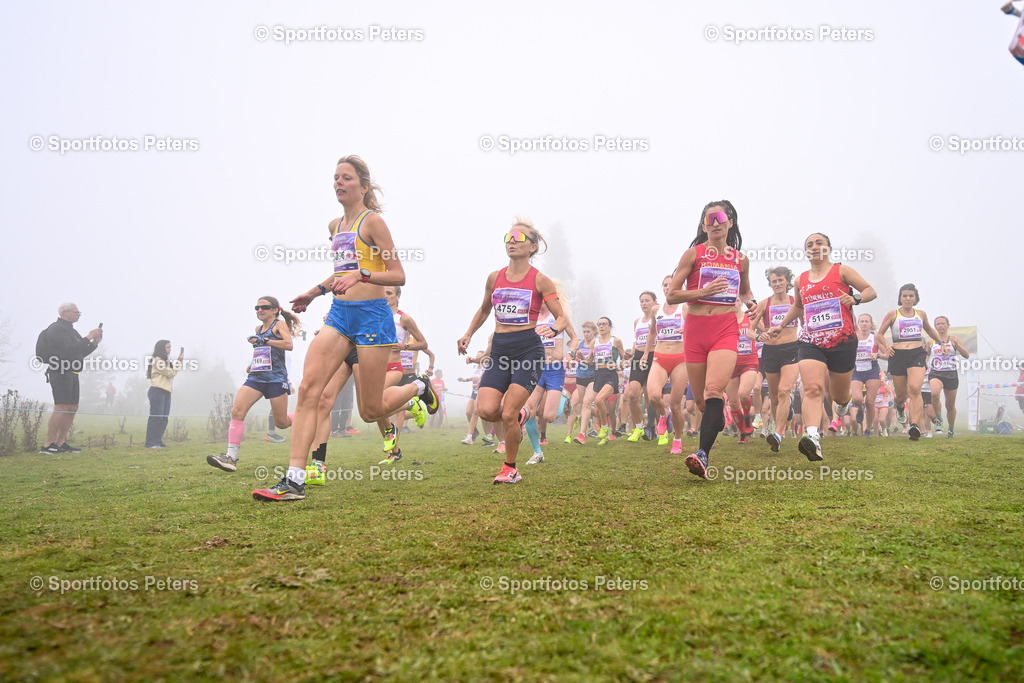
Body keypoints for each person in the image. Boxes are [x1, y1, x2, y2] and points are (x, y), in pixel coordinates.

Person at [253, 155, 438, 501]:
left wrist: (363, 274)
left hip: (372, 317)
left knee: (370, 411)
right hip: (339, 315)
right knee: (310, 388)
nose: (338, 183)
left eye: (346, 178)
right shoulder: (335, 226)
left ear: (363, 187)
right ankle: (294, 479)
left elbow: (398, 275)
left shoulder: (373, 223)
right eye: (335, 178)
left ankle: (418, 388)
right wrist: (314, 291)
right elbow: (341, 272)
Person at [457, 218, 567, 484]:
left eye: (518, 239)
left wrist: (553, 329)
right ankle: (520, 416)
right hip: (500, 351)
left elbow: (561, 317)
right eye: (508, 238)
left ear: (532, 247)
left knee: (507, 413)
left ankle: (511, 468)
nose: (512, 242)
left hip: (528, 350)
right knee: (486, 410)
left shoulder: (540, 280)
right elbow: (485, 309)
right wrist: (468, 334)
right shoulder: (495, 277)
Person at [767, 233, 877, 460]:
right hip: (810, 340)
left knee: (839, 395)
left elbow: (870, 291)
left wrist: (854, 299)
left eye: (819, 243)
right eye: (809, 244)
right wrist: (782, 325)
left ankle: (843, 404)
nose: (814, 247)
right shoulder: (801, 280)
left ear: (829, 248)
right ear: (806, 251)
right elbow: (798, 307)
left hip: (842, 342)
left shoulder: (842, 271)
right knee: (813, 388)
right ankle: (813, 437)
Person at [667, 201, 756, 478]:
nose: (715, 223)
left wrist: (751, 302)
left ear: (730, 221)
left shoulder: (740, 259)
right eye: (709, 219)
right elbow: (671, 295)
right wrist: (702, 290)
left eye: (720, 218)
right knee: (704, 405)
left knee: (713, 391)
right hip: (695, 330)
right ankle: (717, 422)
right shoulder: (693, 254)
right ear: (704, 224)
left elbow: (746, 291)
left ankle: (702, 455)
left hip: (725, 328)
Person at [208, 296, 299, 472]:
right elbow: (263, 350)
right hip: (256, 378)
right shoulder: (258, 329)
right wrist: (253, 363)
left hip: (275, 379)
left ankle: (306, 416)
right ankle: (230, 458)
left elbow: (289, 345)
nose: (259, 310)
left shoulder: (279, 325)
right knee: (237, 411)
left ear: (275, 310)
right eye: (257, 307)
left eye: (264, 307)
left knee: (281, 423)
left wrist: (265, 340)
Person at [874, 284, 941, 442]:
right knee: (902, 395)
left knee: (915, 389)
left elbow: (930, 330)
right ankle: (900, 407)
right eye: (905, 296)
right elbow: (880, 334)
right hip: (897, 355)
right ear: (900, 298)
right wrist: (887, 346)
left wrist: (942, 343)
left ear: (916, 298)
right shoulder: (893, 314)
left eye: (911, 296)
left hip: (916, 353)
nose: (908, 298)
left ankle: (915, 425)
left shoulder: (921, 314)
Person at [37, 303, 102, 454]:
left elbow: (79, 352)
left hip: (72, 372)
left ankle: (61, 442)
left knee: (72, 407)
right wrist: (88, 337)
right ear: (65, 312)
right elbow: (67, 351)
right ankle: (47, 445)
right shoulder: (56, 329)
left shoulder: (71, 330)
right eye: (76, 312)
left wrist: (94, 343)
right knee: (61, 407)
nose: (79, 314)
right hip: (59, 371)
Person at [523, 299, 577, 464]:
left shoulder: (559, 317)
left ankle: (564, 398)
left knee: (549, 416)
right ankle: (537, 452)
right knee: (529, 412)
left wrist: (570, 354)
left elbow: (575, 338)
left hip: (554, 370)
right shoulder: (531, 318)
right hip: (535, 368)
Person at [753, 267, 800, 452]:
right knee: (774, 396)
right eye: (774, 281)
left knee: (784, 391)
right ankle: (776, 423)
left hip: (792, 349)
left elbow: (806, 324)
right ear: (770, 284)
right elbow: (751, 329)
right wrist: (759, 336)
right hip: (770, 352)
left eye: (781, 280)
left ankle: (778, 434)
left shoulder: (796, 302)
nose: (778, 284)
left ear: (787, 281)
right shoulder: (764, 304)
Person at [647, 275, 688, 452]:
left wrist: (687, 329)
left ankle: (677, 439)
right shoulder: (656, 310)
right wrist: (645, 354)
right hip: (660, 357)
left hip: (680, 359)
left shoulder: (685, 307)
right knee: (654, 396)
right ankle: (663, 415)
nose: (667, 288)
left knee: (676, 404)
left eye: (671, 285)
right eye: (665, 285)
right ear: (662, 288)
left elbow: (699, 327)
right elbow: (652, 332)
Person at [575, 317, 626, 446]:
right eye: (599, 324)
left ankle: (603, 428)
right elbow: (590, 361)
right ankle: (605, 433)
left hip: (610, 375)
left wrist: (619, 366)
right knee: (598, 407)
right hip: (598, 375)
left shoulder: (616, 341)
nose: (601, 326)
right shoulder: (594, 342)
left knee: (598, 400)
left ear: (610, 327)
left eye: (604, 324)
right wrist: (582, 358)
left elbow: (624, 358)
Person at [928, 316, 970, 439]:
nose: (940, 326)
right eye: (938, 324)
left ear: (948, 325)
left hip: (951, 374)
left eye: (942, 323)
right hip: (936, 372)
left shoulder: (954, 340)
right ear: (935, 327)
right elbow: (925, 355)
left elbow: (966, 355)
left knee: (950, 406)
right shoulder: (931, 341)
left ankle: (951, 429)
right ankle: (939, 419)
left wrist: (958, 346)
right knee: (935, 394)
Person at [625, 291, 656, 444]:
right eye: (642, 301)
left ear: (654, 302)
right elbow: (636, 342)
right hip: (638, 357)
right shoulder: (638, 321)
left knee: (651, 396)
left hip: (654, 356)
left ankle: (652, 427)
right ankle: (638, 427)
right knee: (632, 394)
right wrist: (630, 354)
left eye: (647, 300)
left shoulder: (658, 318)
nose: (644, 303)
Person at [728, 301, 760, 444]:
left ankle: (747, 418)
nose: (733, 303)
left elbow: (764, 329)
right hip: (730, 364)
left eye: (736, 300)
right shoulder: (725, 320)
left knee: (744, 393)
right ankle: (743, 433)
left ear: (741, 302)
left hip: (749, 361)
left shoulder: (750, 316)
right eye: (731, 301)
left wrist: (759, 334)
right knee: (734, 403)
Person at [145, 340, 183, 449]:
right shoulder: (158, 361)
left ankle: (158, 440)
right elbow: (170, 373)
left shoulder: (165, 361)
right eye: (168, 347)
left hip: (166, 391)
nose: (170, 349)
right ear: (162, 348)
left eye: (170, 347)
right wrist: (179, 362)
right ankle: (151, 442)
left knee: (164, 418)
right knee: (156, 417)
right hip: (157, 391)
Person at [848, 313, 882, 437]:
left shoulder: (876, 336)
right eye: (861, 321)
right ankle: (860, 409)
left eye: (866, 321)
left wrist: (877, 355)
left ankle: (867, 429)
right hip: (856, 371)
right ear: (858, 323)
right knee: (857, 398)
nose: (864, 324)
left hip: (872, 371)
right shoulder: (854, 337)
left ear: (870, 323)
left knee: (870, 402)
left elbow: (887, 354)